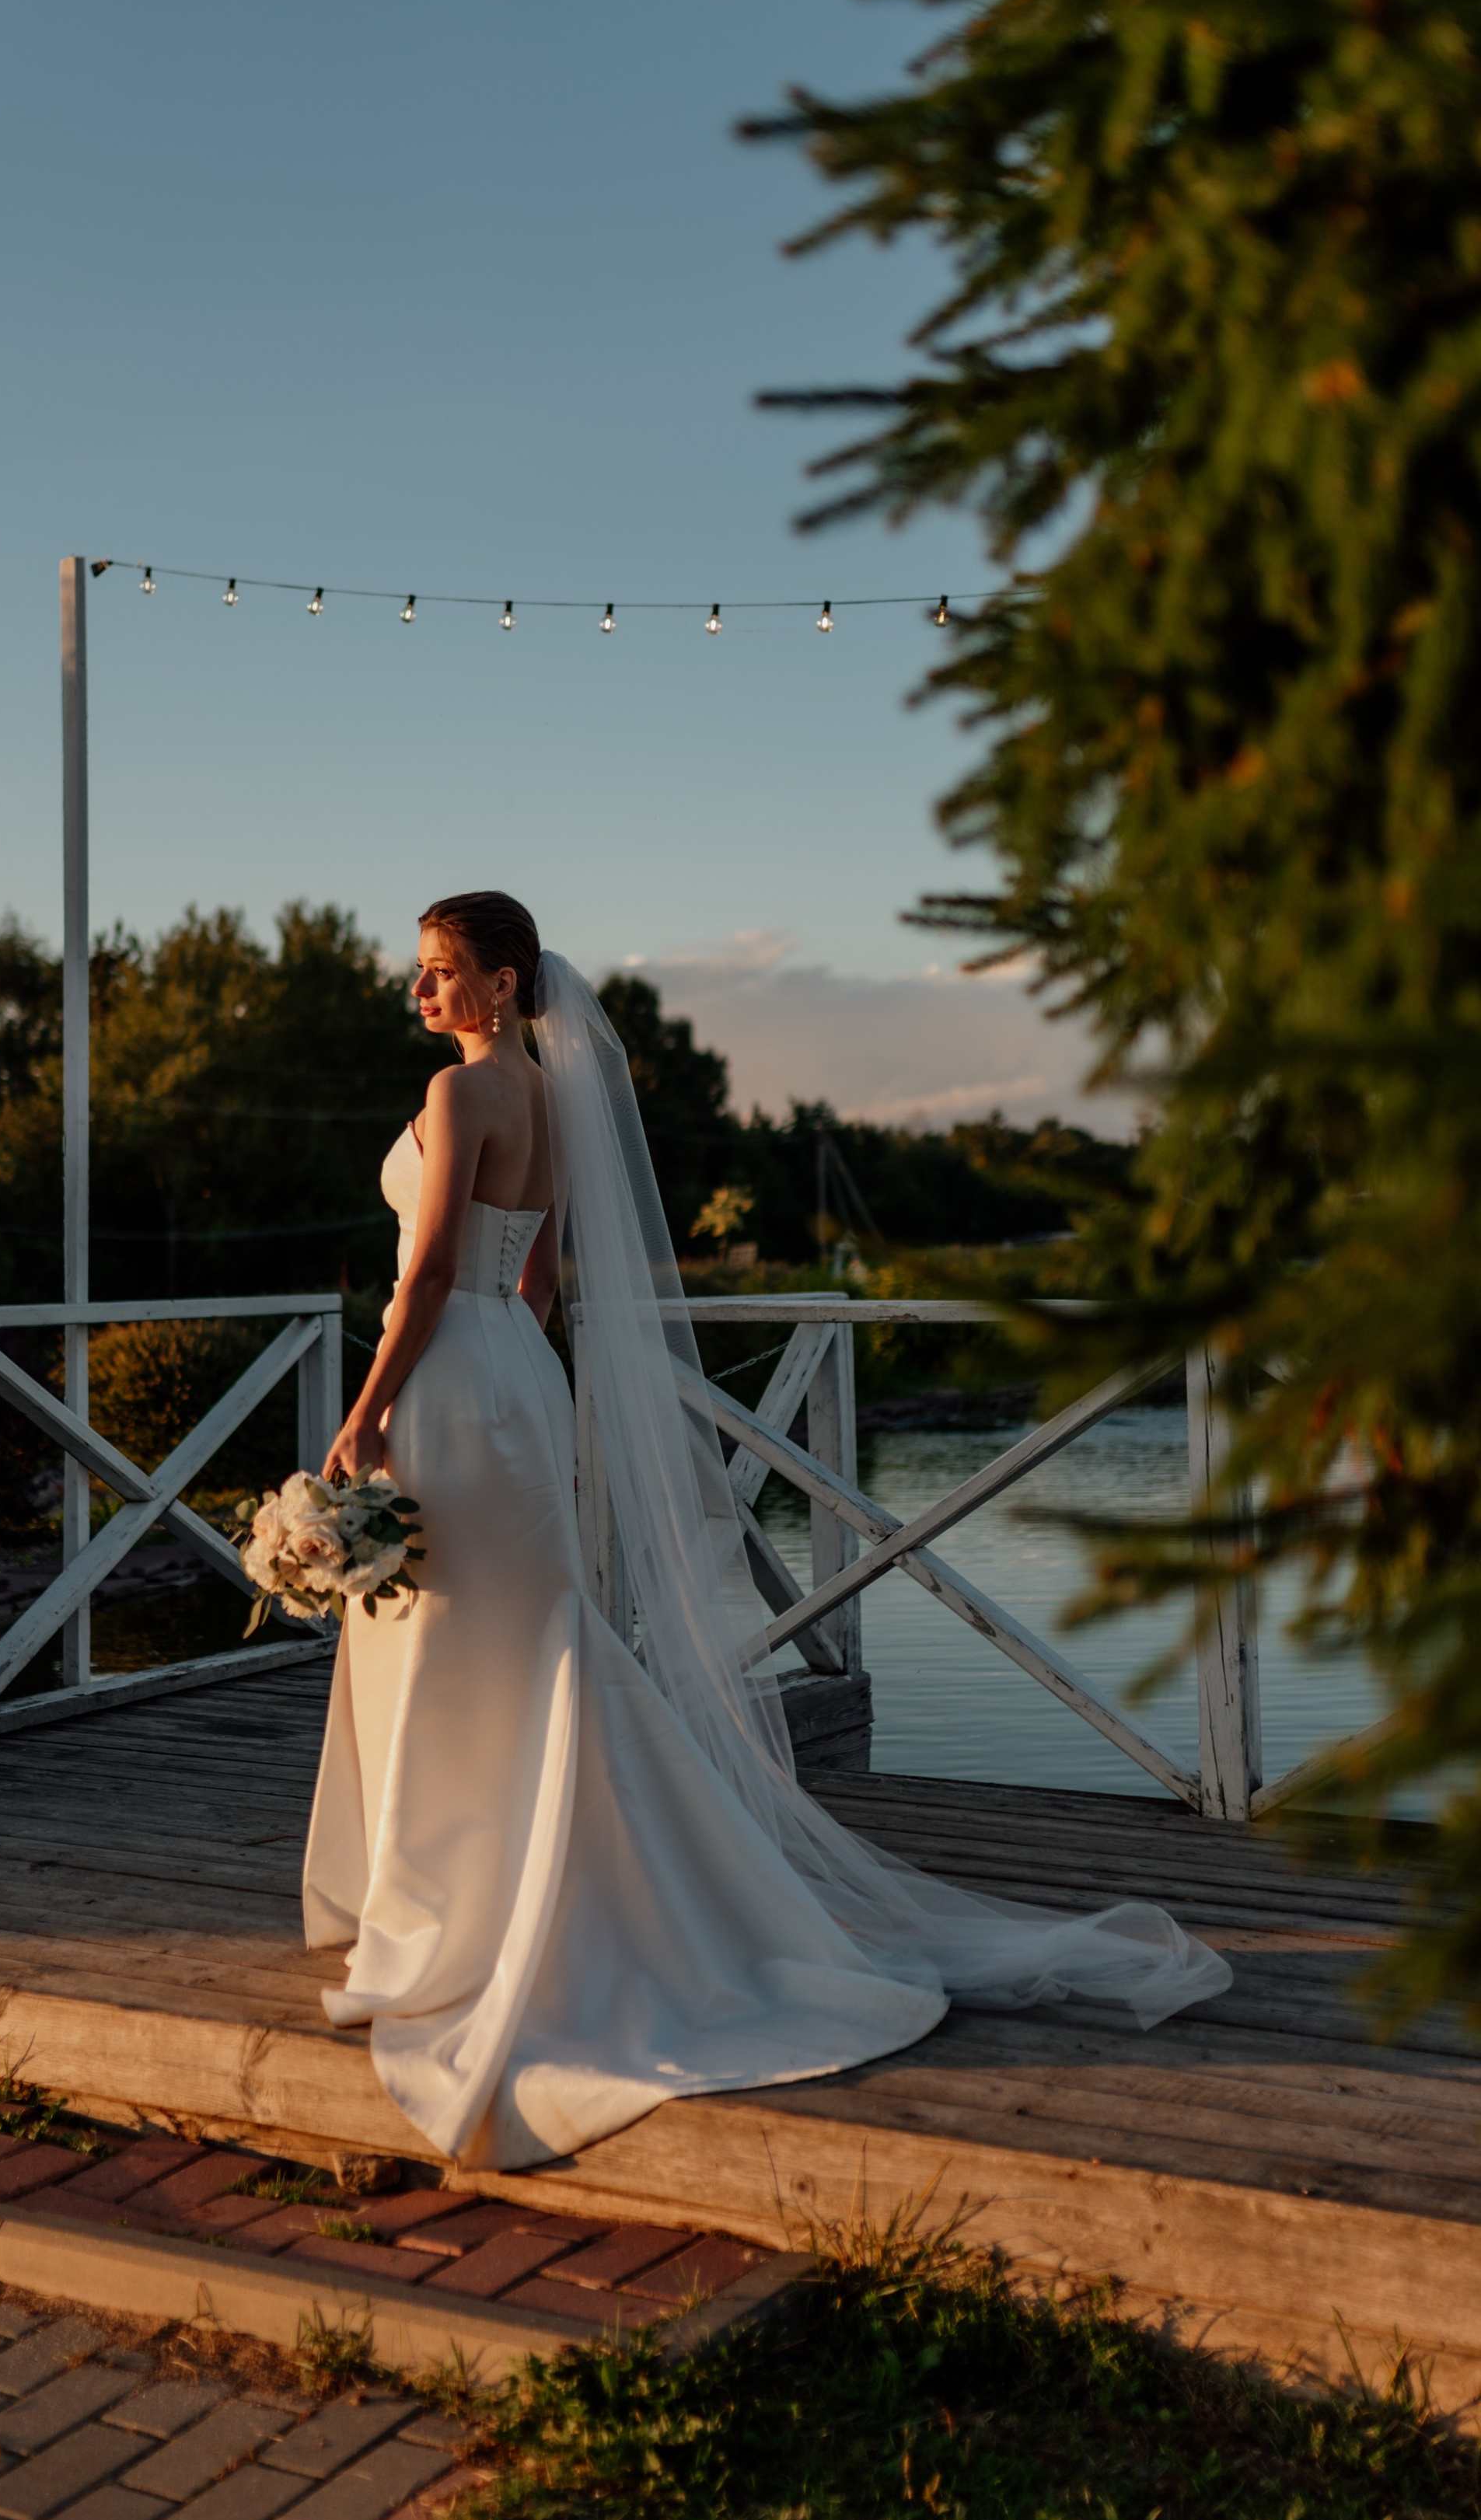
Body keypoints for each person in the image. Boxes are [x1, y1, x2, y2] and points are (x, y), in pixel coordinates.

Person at [302, 890, 1229, 2171]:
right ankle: (550, 1887)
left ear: (505, 984)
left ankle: (447, 1911)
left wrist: (364, 1416)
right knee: (523, 1633)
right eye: (420, 972)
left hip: (451, 1375)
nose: (421, 992)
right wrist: (509, 1356)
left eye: (442, 971)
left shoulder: (460, 1098)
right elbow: (538, 1278)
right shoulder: (562, 1101)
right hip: (515, 1371)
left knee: (446, 1631)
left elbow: (425, 1273)